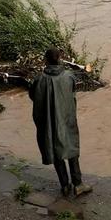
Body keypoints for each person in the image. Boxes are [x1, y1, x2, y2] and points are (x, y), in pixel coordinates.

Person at [29, 47, 93, 197]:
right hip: (66, 119)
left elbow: (33, 96)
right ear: (60, 59)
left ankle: (65, 186)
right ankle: (78, 184)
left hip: (49, 121)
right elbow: (72, 94)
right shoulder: (69, 76)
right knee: (71, 148)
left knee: (55, 149)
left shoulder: (39, 79)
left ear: (45, 60)